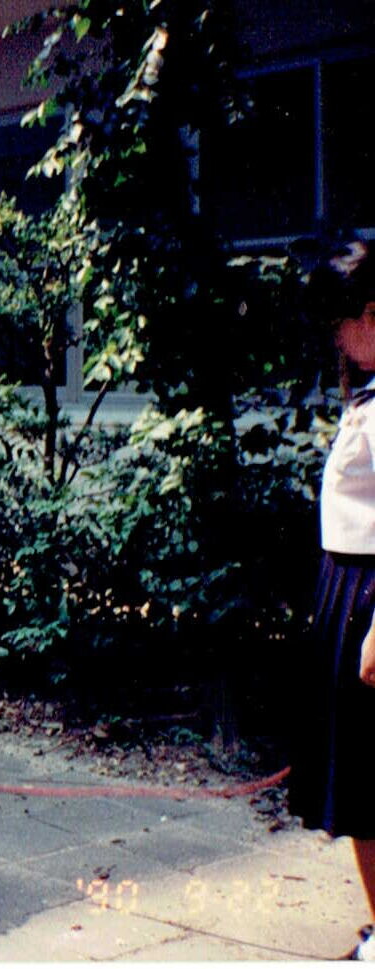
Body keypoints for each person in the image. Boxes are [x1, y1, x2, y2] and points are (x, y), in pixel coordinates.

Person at [288, 240, 375, 961]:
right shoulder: (368, 395)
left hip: (370, 597)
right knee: (359, 781)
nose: (336, 338)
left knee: (368, 782)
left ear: (371, 313)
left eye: (341, 321)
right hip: (346, 590)